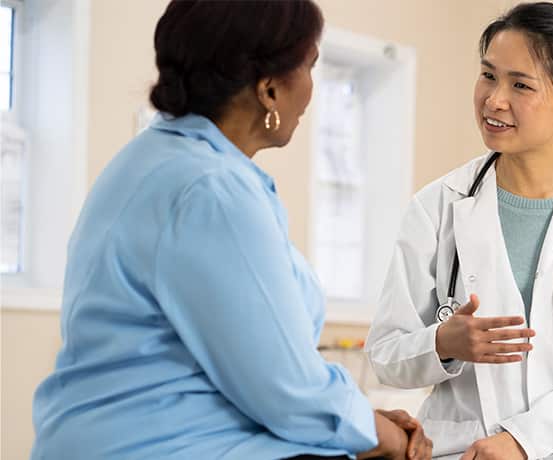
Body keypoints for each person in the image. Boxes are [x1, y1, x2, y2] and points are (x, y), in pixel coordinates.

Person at [30, 1, 432, 459]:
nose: (311, 90)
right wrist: (386, 435)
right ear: (269, 89)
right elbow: (287, 390)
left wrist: (363, 419)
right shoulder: (212, 191)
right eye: (310, 67)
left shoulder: (155, 161)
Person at [365, 2, 553, 459]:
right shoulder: (437, 207)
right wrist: (442, 343)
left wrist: (524, 441)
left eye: (520, 84)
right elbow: (385, 356)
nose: (494, 99)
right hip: (465, 446)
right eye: (488, 75)